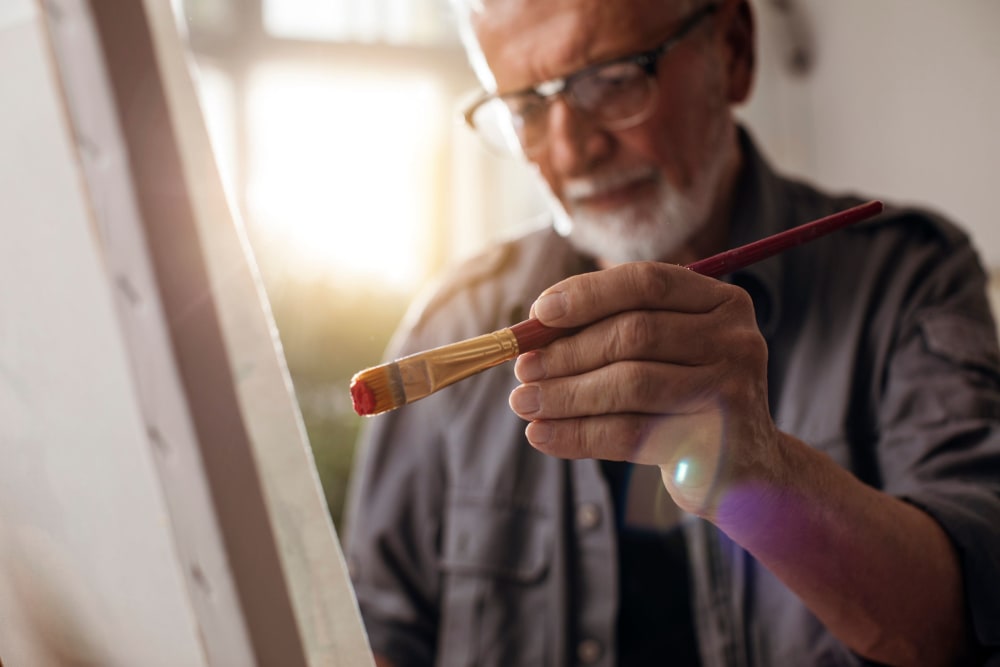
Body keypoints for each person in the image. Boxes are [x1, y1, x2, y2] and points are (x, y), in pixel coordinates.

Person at [344, 0, 1000, 664]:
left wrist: (764, 475)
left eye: (612, 78)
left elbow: (970, 619)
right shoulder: (453, 321)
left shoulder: (906, 279)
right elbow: (369, 631)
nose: (572, 149)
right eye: (528, 107)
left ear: (734, 51)